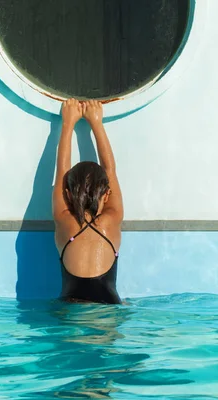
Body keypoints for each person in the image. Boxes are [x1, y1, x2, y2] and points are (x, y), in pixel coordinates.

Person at [53, 99, 124, 304]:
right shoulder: (112, 219)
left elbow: (61, 172)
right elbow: (110, 169)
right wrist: (96, 123)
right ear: (106, 194)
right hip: (108, 305)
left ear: (67, 193)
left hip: (70, 304)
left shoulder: (63, 220)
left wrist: (67, 124)